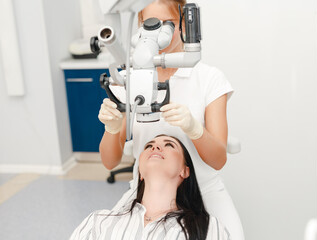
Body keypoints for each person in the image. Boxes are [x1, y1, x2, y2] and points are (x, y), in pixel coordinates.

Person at [98, 0, 245, 239]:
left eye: (167, 24)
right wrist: (112, 129)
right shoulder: (129, 78)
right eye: (148, 25)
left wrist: (195, 130)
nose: (155, 34)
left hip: (203, 189)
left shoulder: (209, 78)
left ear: (184, 27)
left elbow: (218, 160)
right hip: (147, 191)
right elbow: (109, 162)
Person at [70, 135, 230, 239]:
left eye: (169, 145)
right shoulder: (98, 221)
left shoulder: (206, 229)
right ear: (139, 172)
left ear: (185, 171)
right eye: (148, 146)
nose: (156, 147)